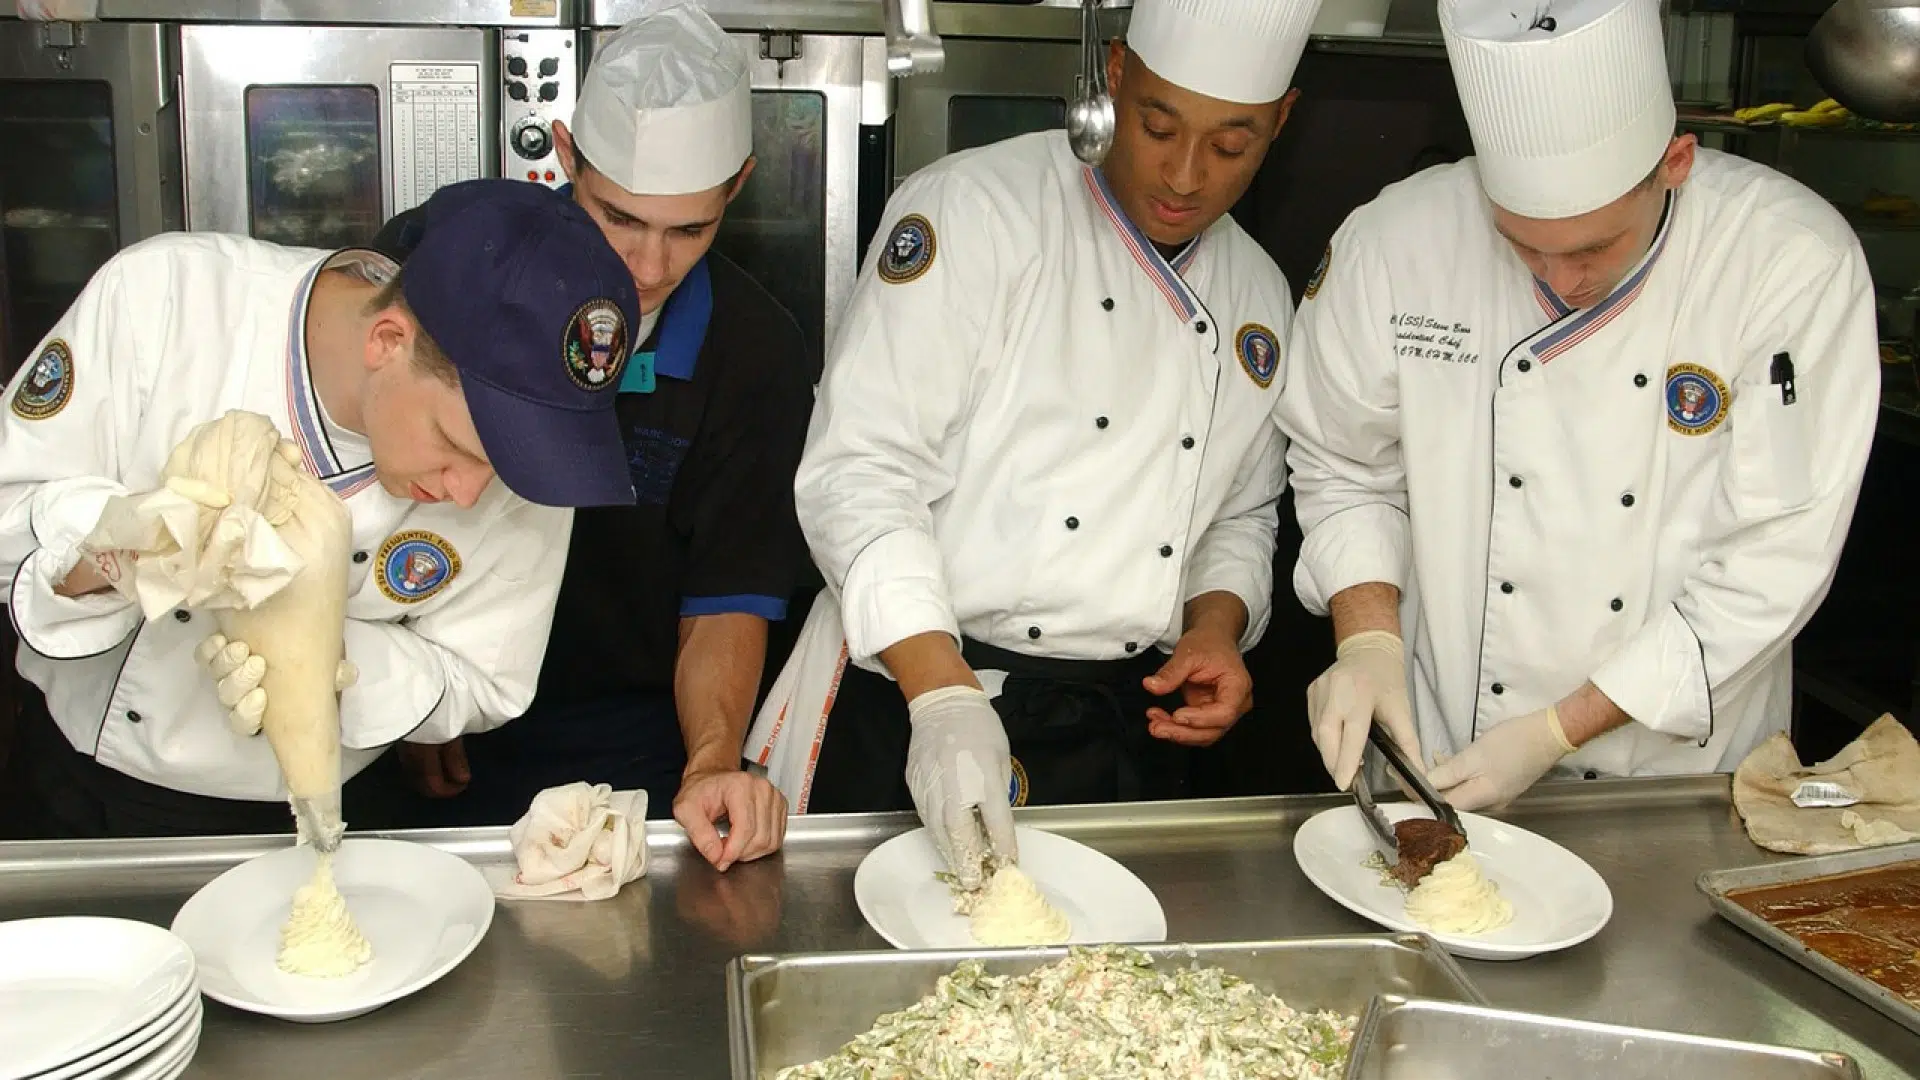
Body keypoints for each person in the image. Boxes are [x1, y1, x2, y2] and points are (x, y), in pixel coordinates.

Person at [746, 0, 1323, 886]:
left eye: (1231, 146)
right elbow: (860, 469)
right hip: (911, 688)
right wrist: (940, 695)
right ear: (1117, 77)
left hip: (1114, 722)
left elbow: (1239, 515)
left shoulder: (1259, 294)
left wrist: (1216, 627)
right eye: (1158, 125)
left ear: (1281, 123)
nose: (1185, 172)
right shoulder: (975, 212)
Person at [1277, 0, 1879, 811]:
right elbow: (1342, 463)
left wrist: (1555, 730)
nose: (1558, 281)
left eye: (1593, 247)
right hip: (1443, 748)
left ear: (1675, 161)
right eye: (1522, 242)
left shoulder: (1787, 263)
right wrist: (1369, 640)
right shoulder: (1395, 242)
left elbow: (1774, 558)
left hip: (1681, 780)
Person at [0, 179, 642, 839]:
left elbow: (485, 679)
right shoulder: (165, 300)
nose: (470, 493)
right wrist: (129, 546)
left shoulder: (525, 461)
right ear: (387, 341)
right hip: (84, 793)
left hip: (330, 820)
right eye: (453, 446)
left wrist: (328, 661)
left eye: (505, 468)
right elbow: (7, 512)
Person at [354, 1, 810, 872]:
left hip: (627, 737)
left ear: (739, 185)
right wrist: (403, 697)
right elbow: (370, 482)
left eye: (689, 230)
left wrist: (713, 760)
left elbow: (728, 597)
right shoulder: (438, 259)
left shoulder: (754, 353)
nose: (645, 267)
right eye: (620, 218)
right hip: (424, 705)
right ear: (565, 157)